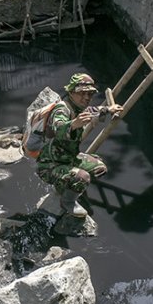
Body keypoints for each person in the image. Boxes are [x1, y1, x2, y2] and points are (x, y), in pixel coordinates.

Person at [36, 73, 124, 217]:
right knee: (83, 177)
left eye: (89, 94)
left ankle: (71, 184)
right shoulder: (62, 109)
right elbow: (58, 128)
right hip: (49, 165)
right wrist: (73, 125)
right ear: (71, 92)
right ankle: (67, 201)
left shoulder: (78, 106)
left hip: (68, 158)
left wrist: (108, 109)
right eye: (81, 93)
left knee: (100, 168)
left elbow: (91, 111)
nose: (86, 98)